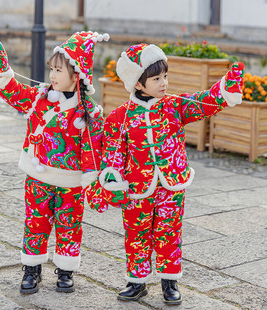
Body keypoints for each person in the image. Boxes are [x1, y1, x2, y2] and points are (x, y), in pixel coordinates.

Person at [86, 43, 244, 304]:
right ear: (138, 83)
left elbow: (201, 103)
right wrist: (112, 176)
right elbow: (112, 152)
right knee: (136, 234)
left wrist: (224, 88)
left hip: (171, 185)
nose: (164, 83)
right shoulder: (120, 117)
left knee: (169, 232)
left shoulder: (173, 106)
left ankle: (169, 281)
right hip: (136, 187)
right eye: (156, 78)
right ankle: (136, 281)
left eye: (165, 77)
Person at [0, 31, 109, 294]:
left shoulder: (90, 113)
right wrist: (1, 73)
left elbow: (92, 151)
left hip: (71, 184)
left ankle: (65, 271)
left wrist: (94, 183)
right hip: (37, 178)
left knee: (70, 226)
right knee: (35, 223)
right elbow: (13, 92)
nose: (52, 75)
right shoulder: (39, 98)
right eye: (51, 69)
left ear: (77, 75)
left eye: (59, 70)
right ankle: (32, 269)